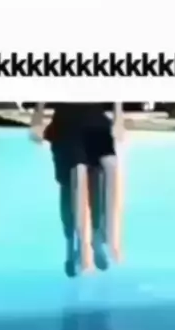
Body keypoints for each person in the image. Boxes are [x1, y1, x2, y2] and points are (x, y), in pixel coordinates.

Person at [30, 102, 124, 275]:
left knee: (109, 166)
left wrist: (119, 119)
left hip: (95, 123)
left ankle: (100, 236)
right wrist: (37, 118)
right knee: (77, 174)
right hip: (67, 123)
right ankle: (79, 243)